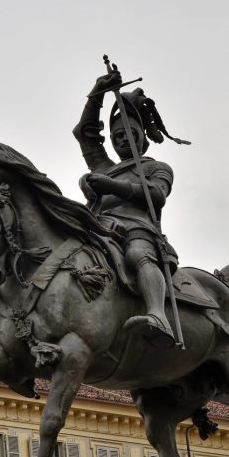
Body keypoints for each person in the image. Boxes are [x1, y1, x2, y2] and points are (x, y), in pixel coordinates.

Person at [73, 71, 178, 348]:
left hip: (136, 230)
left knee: (138, 254)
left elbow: (156, 195)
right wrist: (97, 93)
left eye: (128, 134)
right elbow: (85, 134)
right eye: (117, 135)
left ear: (141, 137)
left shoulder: (155, 168)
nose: (121, 139)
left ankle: (157, 313)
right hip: (97, 228)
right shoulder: (104, 166)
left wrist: (111, 185)